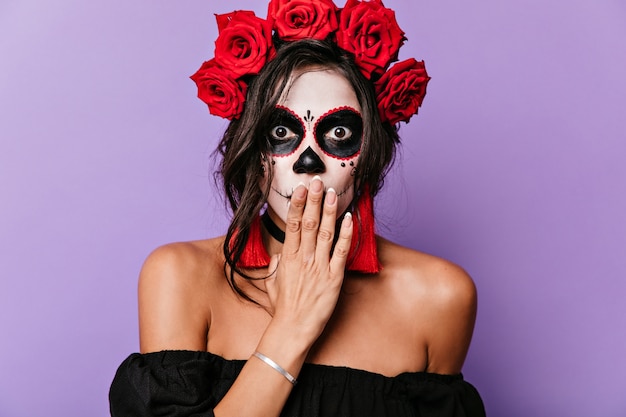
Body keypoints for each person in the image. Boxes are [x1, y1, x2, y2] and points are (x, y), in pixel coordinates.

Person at [110, 1, 485, 416]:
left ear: (372, 152)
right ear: (253, 150)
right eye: (282, 131)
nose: (308, 161)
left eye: (339, 131)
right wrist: (293, 326)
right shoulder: (180, 276)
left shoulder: (439, 295)